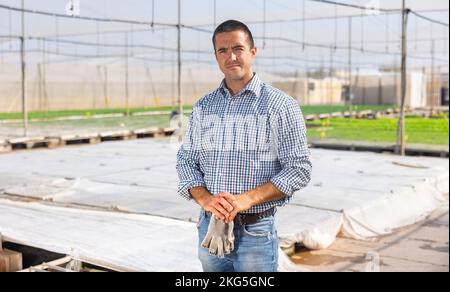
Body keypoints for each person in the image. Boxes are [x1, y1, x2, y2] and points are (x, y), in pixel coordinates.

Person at [176, 20, 312, 272]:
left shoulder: (280, 106)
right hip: (210, 227)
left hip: (255, 231)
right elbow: (186, 161)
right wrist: (206, 199)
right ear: (216, 56)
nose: (231, 57)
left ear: (253, 51)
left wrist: (244, 200)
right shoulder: (204, 107)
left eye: (238, 48)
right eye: (222, 50)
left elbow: (299, 168)